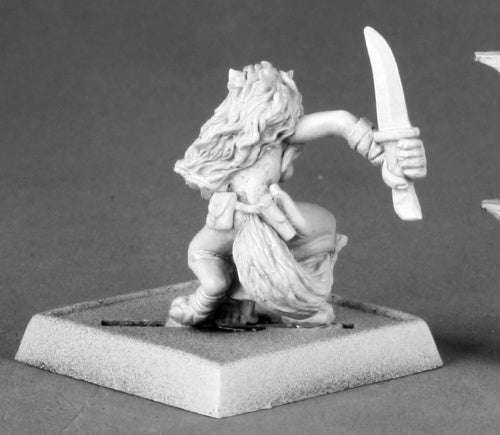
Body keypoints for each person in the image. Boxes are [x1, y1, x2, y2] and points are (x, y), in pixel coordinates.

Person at [168, 61, 426, 327]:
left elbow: (339, 122)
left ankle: (254, 300)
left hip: (266, 219)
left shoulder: (279, 134)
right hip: (230, 219)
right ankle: (214, 301)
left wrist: (387, 158)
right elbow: (338, 121)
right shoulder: (224, 133)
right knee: (207, 262)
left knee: (316, 229)